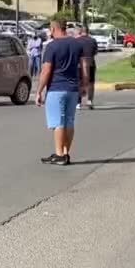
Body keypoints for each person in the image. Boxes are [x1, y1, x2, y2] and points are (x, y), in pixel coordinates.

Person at [36, 21, 85, 165]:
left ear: (53, 29)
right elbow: (83, 66)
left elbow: (46, 70)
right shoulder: (76, 44)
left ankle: (59, 155)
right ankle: (65, 153)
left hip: (56, 88)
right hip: (73, 89)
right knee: (69, 121)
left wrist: (39, 91)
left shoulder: (52, 46)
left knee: (58, 122)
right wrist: (84, 84)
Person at [76, 26, 99, 109]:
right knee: (91, 83)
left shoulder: (76, 41)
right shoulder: (93, 40)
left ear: (80, 32)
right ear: (88, 32)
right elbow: (95, 52)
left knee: (79, 82)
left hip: (79, 64)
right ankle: (89, 101)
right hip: (91, 63)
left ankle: (78, 102)